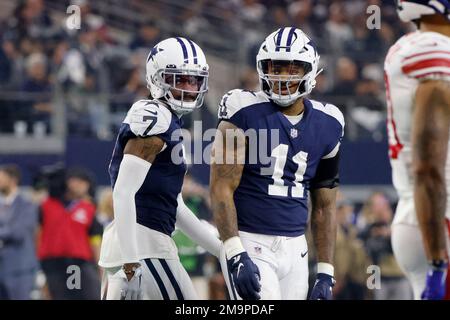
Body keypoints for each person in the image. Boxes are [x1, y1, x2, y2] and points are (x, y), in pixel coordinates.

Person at [210, 27, 344, 300]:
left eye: (293, 69)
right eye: (276, 67)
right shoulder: (242, 110)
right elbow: (221, 187)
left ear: (310, 71)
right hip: (251, 239)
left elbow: (325, 205)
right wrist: (235, 251)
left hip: (296, 247)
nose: (283, 76)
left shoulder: (330, 123)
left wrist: (326, 271)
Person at [98, 37, 223, 300]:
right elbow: (122, 193)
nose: (189, 88)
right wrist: (132, 265)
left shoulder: (171, 123)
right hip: (144, 247)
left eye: (194, 80)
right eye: (180, 80)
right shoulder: (154, 118)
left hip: (135, 245)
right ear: (158, 78)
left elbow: (174, 206)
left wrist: (223, 251)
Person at [386, 0, 450, 300]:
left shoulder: (412, 46)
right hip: (438, 219)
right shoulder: (434, 48)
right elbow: (428, 166)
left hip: (421, 213)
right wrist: (438, 262)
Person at [38, 167, 102, 300]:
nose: (77, 185)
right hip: (52, 263)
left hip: (76, 263)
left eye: (82, 182)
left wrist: (99, 266)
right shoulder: (47, 205)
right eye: (74, 181)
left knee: (80, 294)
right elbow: (37, 233)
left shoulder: (87, 208)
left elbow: (95, 239)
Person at [0, 165, 38, 299]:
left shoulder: (26, 204)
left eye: (2, 177)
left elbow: (18, 232)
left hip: (19, 270)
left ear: (13, 180)